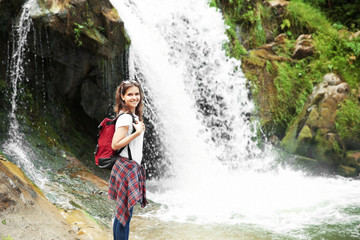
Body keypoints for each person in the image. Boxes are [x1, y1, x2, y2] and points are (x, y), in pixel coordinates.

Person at [108, 80, 148, 240]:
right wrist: (137, 133)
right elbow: (115, 144)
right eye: (130, 94)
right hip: (126, 167)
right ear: (122, 97)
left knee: (123, 214)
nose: (134, 97)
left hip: (131, 167)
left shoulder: (134, 116)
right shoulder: (125, 118)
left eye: (136, 94)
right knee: (124, 215)